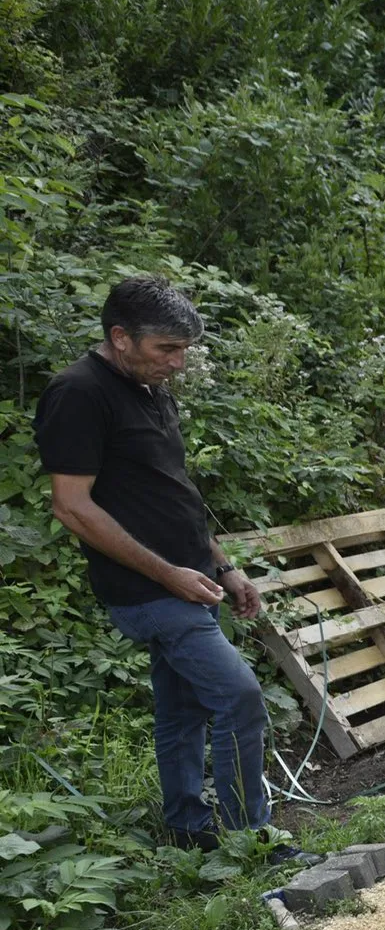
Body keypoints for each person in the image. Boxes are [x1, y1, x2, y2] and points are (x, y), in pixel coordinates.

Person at [34, 276, 283, 853]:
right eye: (166, 349)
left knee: (183, 710)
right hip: (146, 590)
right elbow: (71, 506)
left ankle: (188, 830)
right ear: (120, 337)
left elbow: (174, 491)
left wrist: (223, 567)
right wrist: (168, 574)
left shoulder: (149, 387)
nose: (178, 362)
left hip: (191, 580)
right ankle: (252, 840)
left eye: (184, 349)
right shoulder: (77, 393)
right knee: (239, 696)